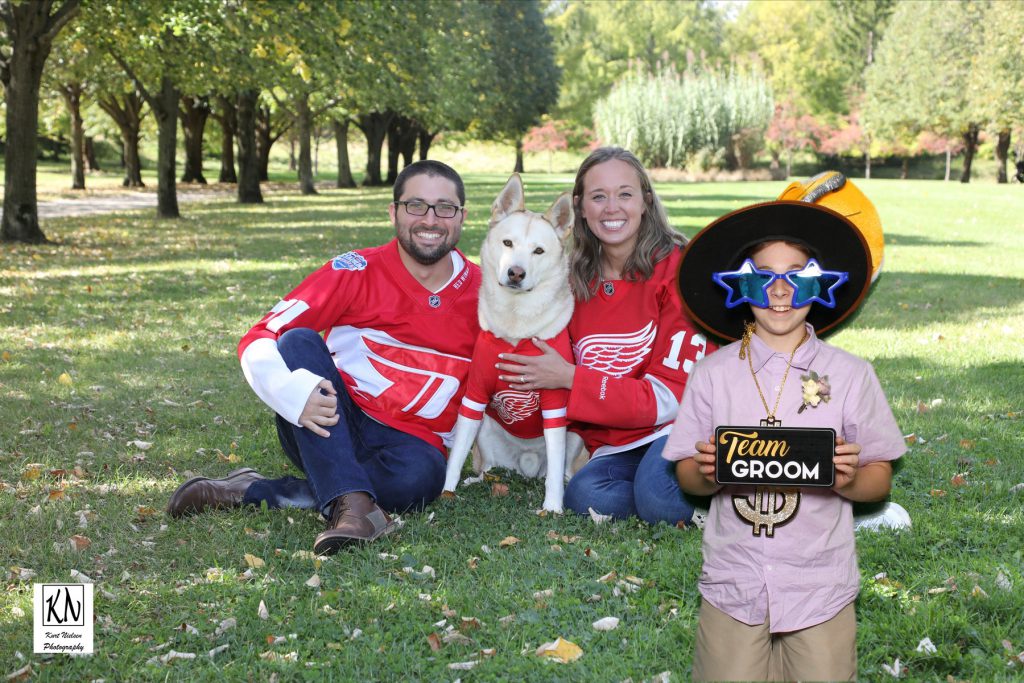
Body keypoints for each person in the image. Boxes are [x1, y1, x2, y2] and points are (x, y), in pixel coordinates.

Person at [166, 160, 481, 555]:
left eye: (444, 208)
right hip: (330, 420)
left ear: (462, 217)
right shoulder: (356, 270)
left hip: (411, 445)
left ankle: (263, 490)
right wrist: (289, 393)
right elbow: (261, 335)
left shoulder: (486, 292)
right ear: (394, 212)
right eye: (415, 205)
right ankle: (354, 508)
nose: (430, 219)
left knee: (419, 481)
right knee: (297, 340)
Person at [663, 173, 906, 681]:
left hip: (820, 585)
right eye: (762, 277)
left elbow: (878, 477)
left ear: (819, 285)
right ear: (738, 286)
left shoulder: (852, 375)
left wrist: (849, 478)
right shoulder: (712, 374)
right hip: (735, 584)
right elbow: (687, 472)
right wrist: (705, 472)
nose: (779, 292)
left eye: (797, 276)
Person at [496, 147, 713, 524]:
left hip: (681, 423)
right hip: (618, 442)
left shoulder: (680, 271)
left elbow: (671, 399)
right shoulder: (569, 279)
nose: (612, 207)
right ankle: (656, 480)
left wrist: (569, 378)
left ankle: (741, 477)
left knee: (661, 500)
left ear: (646, 201)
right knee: (587, 495)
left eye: (625, 194)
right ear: (580, 207)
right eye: (598, 197)